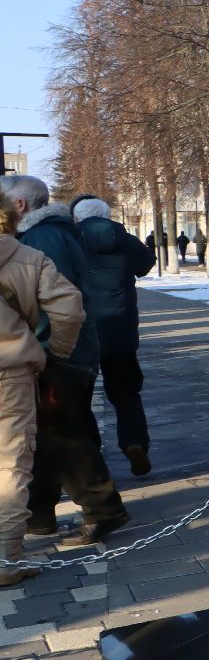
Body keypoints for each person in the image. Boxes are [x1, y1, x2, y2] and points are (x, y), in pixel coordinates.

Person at [0, 176, 129, 545]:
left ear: (20, 205)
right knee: (44, 432)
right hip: (53, 351)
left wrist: (51, 353)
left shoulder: (42, 238)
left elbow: (62, 304)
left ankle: (103, 508)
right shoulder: (46, 233)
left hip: (55, 352)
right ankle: (39, 514)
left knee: (63, 433)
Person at [0, 196, 85, 586]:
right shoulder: (29, 258)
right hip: (10, 374)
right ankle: (5, 559)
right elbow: (69, 308)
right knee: (10, 464)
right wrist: (57, 353)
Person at [72, 198, 157, 476]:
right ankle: (134, 443)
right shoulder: (125, 239)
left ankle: (91, 455)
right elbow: (146, 264)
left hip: (82, 331)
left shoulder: (71, 239)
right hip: (120, 329)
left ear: (77, 217)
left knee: (80, 397)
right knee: (126, 392)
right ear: (107, 215)